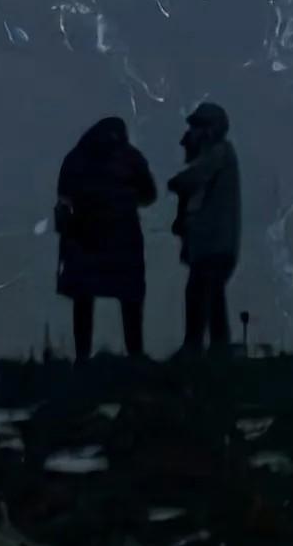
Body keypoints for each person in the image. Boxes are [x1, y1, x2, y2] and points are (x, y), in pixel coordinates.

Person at [54, 115, 158, 362]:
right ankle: (134, 355)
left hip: (86, 239)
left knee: (85, 300)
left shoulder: (76, 158)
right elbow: (149, 194)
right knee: (129, 300)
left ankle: (83, 358)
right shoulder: (130, 157)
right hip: (120, 238)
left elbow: (63, 199)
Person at [168, 100, 241, 354]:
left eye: (198, 126)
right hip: (211, 245)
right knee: (212, 298)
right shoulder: (216, 154)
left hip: (214, 244)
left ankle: (196, 348)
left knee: (200, 295)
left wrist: (176, 182)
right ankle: (215, 351)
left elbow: (192, 179)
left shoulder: (220, 152)